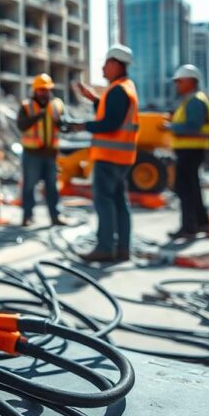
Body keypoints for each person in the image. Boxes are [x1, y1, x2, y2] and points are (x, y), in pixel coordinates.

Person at [70, 45, 139, 263]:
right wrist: (94, 99)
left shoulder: (119, 89)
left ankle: (105, 247)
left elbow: (110, 123)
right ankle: (122, 249)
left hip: (110, 156)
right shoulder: (125, 87)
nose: (102, 68)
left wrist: (83, 125)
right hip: (121, 157)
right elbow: (112, 112)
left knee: (104, 202)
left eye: (106, 63)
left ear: (116, 64)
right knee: (119, 202)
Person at [164, 64, 209, 239]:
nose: (177, 85)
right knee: (192, 188)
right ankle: (202, 223)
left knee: (184, 188)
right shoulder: (192, 100)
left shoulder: (196, 101)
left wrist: (171, 126)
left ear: (191, 82)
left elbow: (193, 126)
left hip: (191, 151)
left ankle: (189, 227)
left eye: (180, 81)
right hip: (190, 150)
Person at [17, 73, 67, 227]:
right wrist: (36, 117)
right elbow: (21, 125)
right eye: (41, 90)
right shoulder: (27, 106)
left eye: (46, 90)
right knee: (29, 186)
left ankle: (55, 216)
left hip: (50, 154)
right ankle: (27, 216)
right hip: (32, 154)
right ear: (35, 90)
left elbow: (64, 125)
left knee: (52, 187)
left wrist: (63, 124)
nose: (44, 93)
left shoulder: (57, 105)